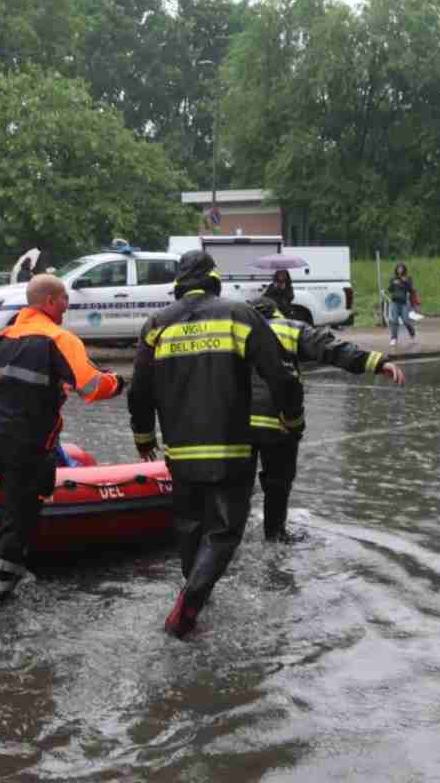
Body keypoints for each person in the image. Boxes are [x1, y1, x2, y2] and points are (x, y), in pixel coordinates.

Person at [127, 250, 304, 639]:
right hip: (231, 449)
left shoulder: (156, 324)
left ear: (179, 285)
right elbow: (281, 375)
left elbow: (139, 389)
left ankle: (193, 598)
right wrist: (292, 419)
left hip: (180, 451)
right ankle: (190, 604)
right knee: (225, 531)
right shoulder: (239, 315)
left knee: (190, 526)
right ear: (215, 280)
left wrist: (143, 436)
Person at [0, 274, 124, 605]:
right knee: (17, 521)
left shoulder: (1, 341)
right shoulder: (60, 339)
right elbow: (90, 387)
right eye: (64, 300)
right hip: (30, 446)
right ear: (49, 301)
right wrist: (118, 382)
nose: (67, 306)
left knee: (20, 512)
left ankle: (11, 576)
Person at [247, 297, 404, 543]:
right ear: (277, 312)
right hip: (278, 421)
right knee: (278, 483)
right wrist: (374, 361)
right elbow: (329, 347)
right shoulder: (288, 328)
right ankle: (275, 536)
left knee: (235, 486)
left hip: (235, 425)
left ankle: (230, 537)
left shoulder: (234, 331)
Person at [386, 262, 419, 347]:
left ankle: (412, 334)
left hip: (404, 303)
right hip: (394, 302)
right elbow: (390, 289)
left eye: (401, 268)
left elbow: (411, 290)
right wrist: (391, 285)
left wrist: (405, 282)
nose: (400, 270)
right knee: (394, 321)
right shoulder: (393, 279)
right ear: (396, 269)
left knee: (406, 321)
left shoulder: (408, 278)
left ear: (404, 269)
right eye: (398, 268)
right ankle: (393, 339)